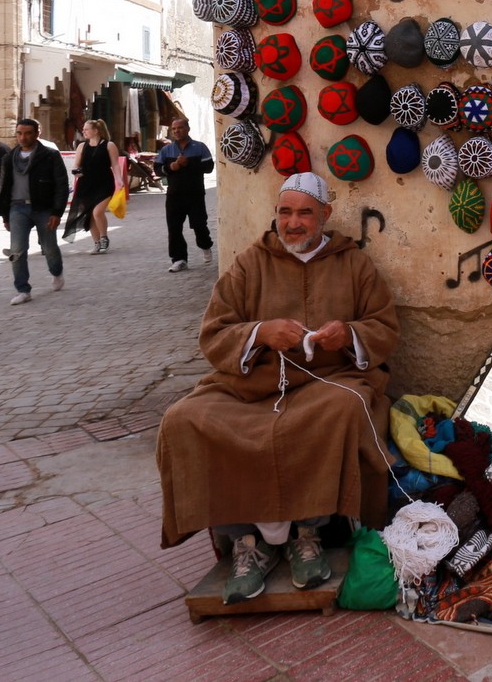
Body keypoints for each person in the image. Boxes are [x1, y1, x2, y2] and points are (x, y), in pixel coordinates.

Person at [156, 173, 399, 602]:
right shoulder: (251, 263)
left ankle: (309, 533)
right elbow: (214, 332)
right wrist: (260, 333)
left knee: (345, 408)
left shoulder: (353, 264)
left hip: (328, 382)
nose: (293, 223)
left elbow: (383, 326)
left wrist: (347, 335)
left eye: (305, 212)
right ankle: (247, 542)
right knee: (185, 419)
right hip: (253, 385)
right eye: (285, 212)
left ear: (325, 215)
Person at [0, 119, 70, 306]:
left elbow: (61, 185)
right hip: (17, 207)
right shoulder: (9, 158)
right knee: (17, 250)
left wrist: (57, 212)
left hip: (43, 208)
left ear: (37, 133)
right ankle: (23, 289)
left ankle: (56, 272)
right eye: (19, 133)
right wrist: (5, 214)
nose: (23, 137)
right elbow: (3, 186)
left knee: (49, 247)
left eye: (28, 133)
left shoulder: (50, 156)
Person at [156, 117, 214, 272]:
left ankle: (205, 245)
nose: (176, 131)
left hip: (195, 194)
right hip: (174, 196)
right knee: (174, 228)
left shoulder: (199, 147)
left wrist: (189, 163)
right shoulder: (167, 150)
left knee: (199, 225)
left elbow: (209, 167)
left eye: (179, 128)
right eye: (173, 129)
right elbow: (157, 169)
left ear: (187, 129)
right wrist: (170, 167)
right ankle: (179, 259)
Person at [63, 118, 123, 254]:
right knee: (89, 215)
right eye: (83, 129)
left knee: (98, 212)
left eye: (86, 129)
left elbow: (115, 164)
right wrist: (76, 172)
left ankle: (103, 238)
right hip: (86, 183)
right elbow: (76, 165)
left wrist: (119, 180)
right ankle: (96, 243)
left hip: (104, 183)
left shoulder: (109, 145)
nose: (83, 131)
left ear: (96, 131)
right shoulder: (81, 146)